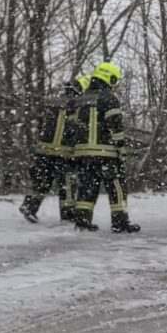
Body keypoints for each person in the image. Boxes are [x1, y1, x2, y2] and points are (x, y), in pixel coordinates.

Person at [64, 61, 138, 233]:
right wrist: (121, 148)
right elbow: (115, 125)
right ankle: (120, 222)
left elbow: (70, 128)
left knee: (87, 186)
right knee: (116, 186)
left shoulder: (80, 99)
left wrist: (75, 150)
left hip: (83, 153)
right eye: (114, 80)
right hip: (105, 152)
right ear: (108, 78)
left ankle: (82, 221)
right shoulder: (109, 99)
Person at [19, 74, 83, 224]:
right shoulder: (76, 106)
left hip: (44, 150)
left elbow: (41, 125)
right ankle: (68, 214)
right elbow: (78, 129)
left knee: (42, 180)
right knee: (67, 183)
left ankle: (30, 205)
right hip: (64, 152)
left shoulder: (51, 103)